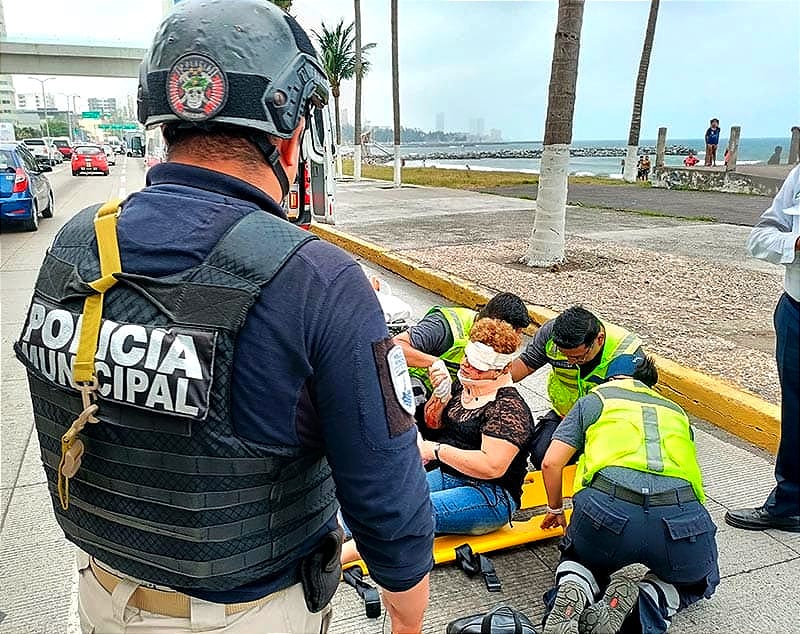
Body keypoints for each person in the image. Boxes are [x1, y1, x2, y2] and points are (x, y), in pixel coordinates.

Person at [13, 2, 433, 633]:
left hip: (102, 597)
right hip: (249, 615)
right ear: (291, 140)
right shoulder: (319, 280)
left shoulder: (75, 246)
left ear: (162, 126)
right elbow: (388, 500)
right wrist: (406, 618)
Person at [539, 355, 719, 634]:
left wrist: (555, 510)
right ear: (650, 384)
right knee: (700, 575)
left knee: (580, 558)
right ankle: (646, 600)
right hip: (678, 521)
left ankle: (576, 587)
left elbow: (551, 462)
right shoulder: (677, 412)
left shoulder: (596, 399)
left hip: (607, 515)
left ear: (610, 378)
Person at [342, 318, 535, 565]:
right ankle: (322, 536)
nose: (467, 367)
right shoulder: (465, 384)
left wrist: (436, 450)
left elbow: (492, 467)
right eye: (467, 359)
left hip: (491, 494)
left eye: (477, 366)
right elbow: (433, 424)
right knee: (381, 496)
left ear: (502, 369)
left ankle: (333, 560)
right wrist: (441, 395)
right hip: (450, 474)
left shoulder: (509, 408)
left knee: (407, 514)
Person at [725, 164, 800, 533]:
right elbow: (760, 237)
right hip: (796, 311)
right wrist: (796, 242)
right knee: (797, 412)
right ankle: (789, 504)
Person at [511, 306, 644, 469]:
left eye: (579, 357)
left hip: (608, 423)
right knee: (542, 455)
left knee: (602, 466)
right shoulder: (551, 335)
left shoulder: (626, 353)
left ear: (599, 339)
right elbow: (524, 365)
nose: (571, 361)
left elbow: (633, 406)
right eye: (566, 355)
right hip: (566, 415)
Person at [394, 292, 531, 438]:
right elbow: (394, 348)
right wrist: (434, 363)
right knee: (405, 424)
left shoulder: (499, 351)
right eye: (513, 331)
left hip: (457, 391)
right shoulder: (444, 326)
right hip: (418, 382)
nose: (516, 338)